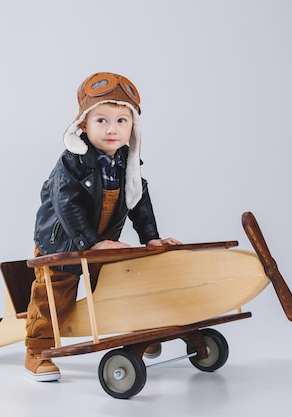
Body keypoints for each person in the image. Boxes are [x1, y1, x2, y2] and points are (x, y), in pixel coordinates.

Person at [25, 72, 181, 382]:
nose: (112, 129)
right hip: (63, 244)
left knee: (121, 285)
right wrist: (91, 243)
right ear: (83, 124)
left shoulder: (127, 163)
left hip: (102, 243)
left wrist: (151, 238)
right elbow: (66, 204)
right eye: (102, 121)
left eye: (122, 121)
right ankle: (37, 350)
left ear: (132, 126)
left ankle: (140, 334)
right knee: (53, 297)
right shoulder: (71, 162)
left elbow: (139, 202)